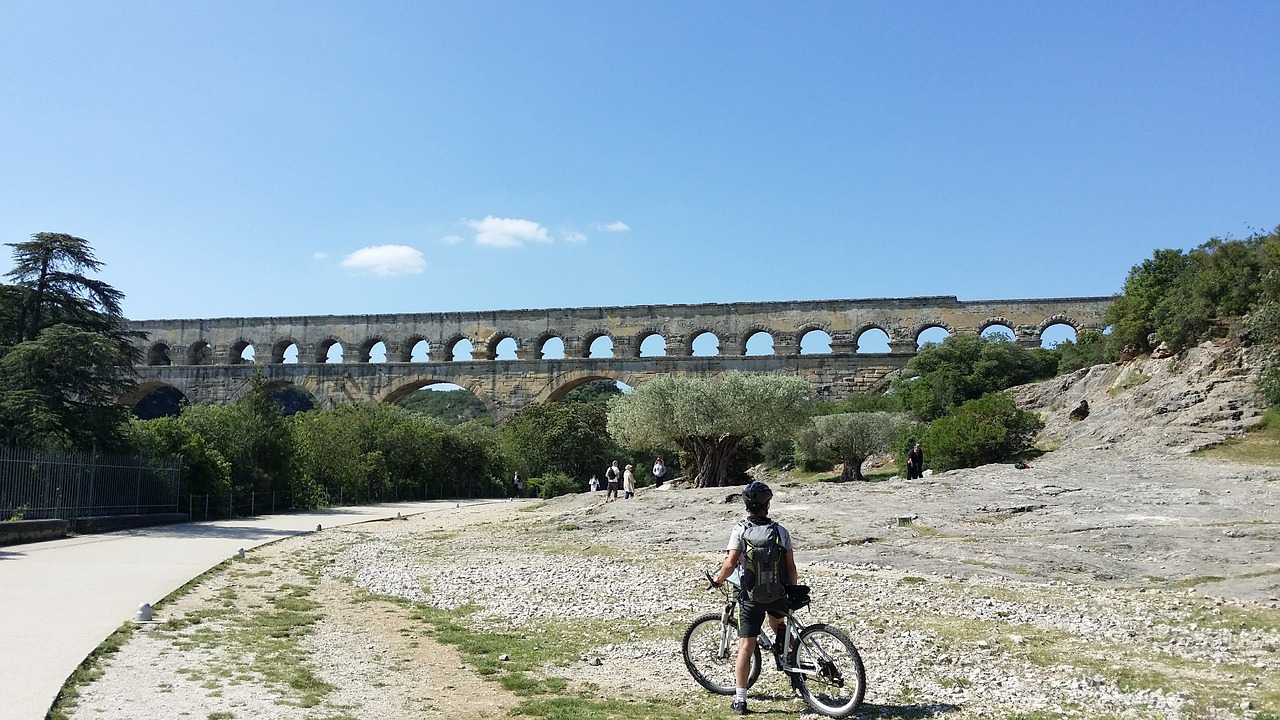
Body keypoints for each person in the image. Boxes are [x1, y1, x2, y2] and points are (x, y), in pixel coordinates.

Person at [710, 481, 798, 715]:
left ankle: (740, 700)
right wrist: (791, 591)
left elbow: (730, 563)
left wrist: (718, 580)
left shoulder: (740, 529)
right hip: (777, 593)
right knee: (778, 621)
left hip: (750, 596)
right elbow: (791, 567)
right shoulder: (780, 531)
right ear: (766, 505)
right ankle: (792, 658)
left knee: (746, 646)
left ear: (747, 505)